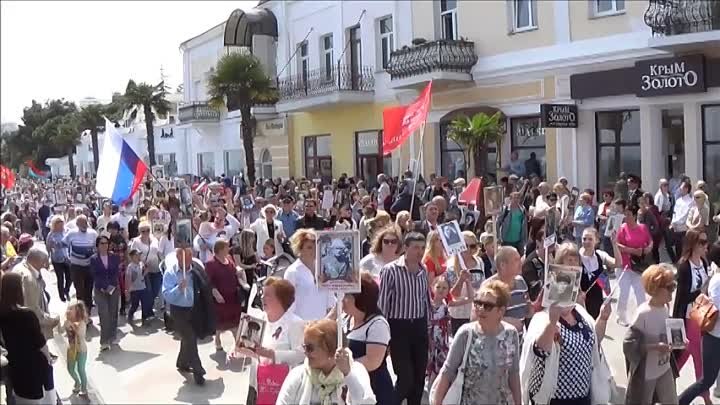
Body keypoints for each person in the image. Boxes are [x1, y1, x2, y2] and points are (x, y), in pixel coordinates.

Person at [520, 264, 612, 405]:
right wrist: (552, 323)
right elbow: (540, 350)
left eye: (571, 289)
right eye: (562, 290)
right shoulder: (542, 318)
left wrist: (603, 318)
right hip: (554, 399)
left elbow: (595, 341)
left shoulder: (581, 313)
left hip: (582, 398)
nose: (567, 294)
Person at [431, 280, 521, 405]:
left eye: (487, 306)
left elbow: (514, 374)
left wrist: (518, 402)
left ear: (501, 310)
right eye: (478, 304)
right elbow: (447, 372)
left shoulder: (511, 334)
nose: (481, 309)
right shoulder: (466, 334)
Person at [378, 232, 431, 405]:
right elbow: (383, 304)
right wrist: (382, 336)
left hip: (420, 326)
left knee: (418, 380)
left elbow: (425, 300)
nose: (420, 252)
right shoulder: (391, 271)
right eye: (415, 247)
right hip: (399, 328)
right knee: (405, 378)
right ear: (405, 248)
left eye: (422, 248)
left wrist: (429, 326)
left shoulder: (424, 270)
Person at [276, 318, 375, 405]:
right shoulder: (298, 374)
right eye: (304, 347)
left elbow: (366, 402)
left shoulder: (356, 371)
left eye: (310, 348)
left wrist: (348, 375)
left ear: (331, 349)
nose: (305, 353)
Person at [623, 264, 679, 405]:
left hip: (665, 367)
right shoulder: (643, 313)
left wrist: (680, 340)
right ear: (656, 288)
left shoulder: (665, 308)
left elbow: (668, 333)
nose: (673, 290)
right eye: (669, 287)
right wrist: (655, 346)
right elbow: (629, 345)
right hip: (647, 373)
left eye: (674, 285)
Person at [0, 272, 56, 404]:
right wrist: (48, 359)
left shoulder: (2, 314)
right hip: (35, 368)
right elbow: (40, 344)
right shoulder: (27, 315)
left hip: (15, 366)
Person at [162, 247, 215, 386]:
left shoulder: (196, 270)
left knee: (189, 338)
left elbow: (205, 285)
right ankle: (198, 370)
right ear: (178, 257)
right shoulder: (171, 273)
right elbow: (167, 295)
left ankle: (182, 362)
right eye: (185, 256)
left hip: (194, 309)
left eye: (190, 255)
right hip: (178, 311)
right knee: (190, 338)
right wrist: (179, 288)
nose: (188, 259)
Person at [672, 229, 712, 405]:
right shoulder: (684, 266)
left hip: (702, 316)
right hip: (689, 317)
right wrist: (701, 291)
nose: (705, 246)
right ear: (693, 244)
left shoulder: (703, 262)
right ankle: (705, 396)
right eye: (702, 242)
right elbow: (682, 298)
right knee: (697, 356)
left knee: (684, 355)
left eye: (706, 242)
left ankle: (666, 385)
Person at [343, 272, 393, 405]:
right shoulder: (344, 319)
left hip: (374, 390)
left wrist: (343, 366)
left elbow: (373, 361)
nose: (342, 299)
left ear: (360, 298)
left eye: (348, 295)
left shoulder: (378, 324)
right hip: (348, 388)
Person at [678, 257, 720, 405]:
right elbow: (716, 311)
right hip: (714, 337)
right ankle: (679, 401)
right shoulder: (717, 281)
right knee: (706, 380)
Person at [284, 229, 336, 321]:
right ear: (300, 249)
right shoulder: (292, 272)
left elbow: (331, 300)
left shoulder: (324, 268)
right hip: (300, 326)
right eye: (309, 247)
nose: (314, 250)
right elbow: (288, 305)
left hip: (322, 326)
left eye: (316, 246)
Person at [615, 202, 653, 326]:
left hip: (639, 266)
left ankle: (642, 316)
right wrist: (631, 250)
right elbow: (617, 245)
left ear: (635, 215)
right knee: (624, 292)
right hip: (625, 265)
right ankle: (621, 316)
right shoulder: (622, 228)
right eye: (625, 215)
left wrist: (648, 248)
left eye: (629, 215)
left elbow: (650, 241)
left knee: (640, 293)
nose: (627, 217)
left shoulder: (642, 228)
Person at [483, 246, 530, 336]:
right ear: (502, 265)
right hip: (496, 344)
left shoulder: (521, 281)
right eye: (516, 260)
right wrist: (506, 322)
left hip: (517, 343)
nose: (520, 263)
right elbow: (479, 317)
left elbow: (527, 310)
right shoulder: (489, 287)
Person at [205, 239, 242, 352]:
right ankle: (217, 340)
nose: (228, 249)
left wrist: (238, 272)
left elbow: (234, 271)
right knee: (221, 323)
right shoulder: (211, 263)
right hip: (221, 298)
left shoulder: (229, 259)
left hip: (233, 296)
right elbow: (208, 281)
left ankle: (238, 345)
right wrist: (215, 293)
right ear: (220, 250)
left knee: (235, 322)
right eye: (226, 247)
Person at [445, 231, 484, 335]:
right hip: (459, 315)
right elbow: (453, 295)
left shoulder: (479, 262)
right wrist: (461, 280)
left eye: (472, 246)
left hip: (477, 313)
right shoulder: (451, 266)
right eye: (465, 246)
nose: (468, 250)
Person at [579, 228, 621, 319]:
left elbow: (618, 263)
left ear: (596, 241)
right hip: (581, 301)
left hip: (596, 300)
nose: (586, 241)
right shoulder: (577, 257)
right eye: (584, 239)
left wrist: (614, 244)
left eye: (590, 239)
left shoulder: (600, 255)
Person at [63, 215, 98, 313]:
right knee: (79, 290)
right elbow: (64, 244)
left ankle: (88, 312)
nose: (84, 225)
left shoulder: (93, 233)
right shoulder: (71, 233)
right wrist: (66, 257)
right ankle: (81, 313)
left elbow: (97, 247)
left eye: (85, 222)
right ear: (77, 224)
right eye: (82, 223)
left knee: (89, 290)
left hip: (89, 266)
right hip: (76, 266)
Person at [91, 235, 120, 351]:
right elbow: (94, 274)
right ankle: (104, 340)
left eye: (106, 243)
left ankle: (112, 336)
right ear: (97, 246)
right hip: (100, 290)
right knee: (104, 314)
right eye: (102, 244)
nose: (104, 246)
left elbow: (115, 273)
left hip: (113, 288)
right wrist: (103, 287)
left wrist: (111, 286)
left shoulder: (114, 257)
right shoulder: (93, 259)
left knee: (113, 313)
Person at [129, 221, 162, 316]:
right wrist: (141, 264)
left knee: (155, 291)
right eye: (143, 231)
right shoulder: (136, 241)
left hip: (156, 268)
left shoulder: (155, 239)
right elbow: (133, 255)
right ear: (140, 231)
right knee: (148, 292)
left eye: (147, 230)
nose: (146, 232)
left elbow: (158, 252)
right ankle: (146, 314)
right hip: (145, 271)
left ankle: (149, 309)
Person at [426, 276, 452, 390]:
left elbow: (448, 326)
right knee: (427, 362)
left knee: (439, 364)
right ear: (432, 288)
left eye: (444, 288)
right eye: (438, 287)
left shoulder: (445, 307)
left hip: (441, 342)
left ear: (448, 291)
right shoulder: (427, 305)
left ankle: (433, 387)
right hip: (428, 339)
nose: (441, 290)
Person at [64, 299, 89, 397]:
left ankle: (84, 388)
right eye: (68, 308)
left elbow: (80, 335)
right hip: (71, 349)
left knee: (80, 369)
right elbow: (61, 330)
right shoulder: (68, 321)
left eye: (71, 309)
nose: (68, 311)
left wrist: (73, 326)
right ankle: (77, 382)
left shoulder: (82, 323)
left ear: (77, 311)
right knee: (70, 368)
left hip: (81, 350)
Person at [46, 215, 71, 301]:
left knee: (69, 277)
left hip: (67, 258)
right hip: (56, 258)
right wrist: (48, 258)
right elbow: (48, 246)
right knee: (60, 278)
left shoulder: (67, 231)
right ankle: (61, 295)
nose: (60, 226)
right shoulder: (51, 234)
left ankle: (66, 290)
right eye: (58, 224)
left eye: (61, 224)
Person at [125, 249, 151, 325]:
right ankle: (130, 315)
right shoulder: (130, 267)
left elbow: (143, 275)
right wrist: (128, 291)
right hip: (134, 289)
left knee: (145, 304)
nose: (138, 256)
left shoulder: (141, 264)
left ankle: (144, 319)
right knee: (135, 305)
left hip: (143, 287)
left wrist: (145, 272)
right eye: (136, 255)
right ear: (132, 257)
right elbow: (128, 278)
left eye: (139, 255)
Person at [670, 181, 693, 262]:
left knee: (684, 249)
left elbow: (685, 215)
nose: (680, 189)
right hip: (676, 229)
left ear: (687, 189)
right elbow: (674, 212)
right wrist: (673, 222)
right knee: (677, 249)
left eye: (682, 187)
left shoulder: (690, 202)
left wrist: (675, 222)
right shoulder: (678, 200)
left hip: (684, 229)